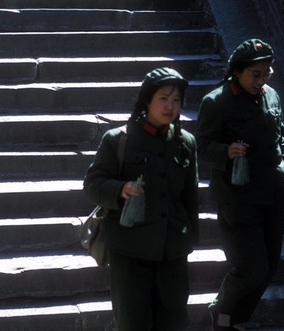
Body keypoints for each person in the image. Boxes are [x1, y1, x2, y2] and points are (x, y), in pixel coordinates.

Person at [83, 67, 199, 331]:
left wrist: (190, 240)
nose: (171, 106)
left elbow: (190, 196)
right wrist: (121, 189)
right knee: (133, 324)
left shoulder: (186, 142)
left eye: (177, 100)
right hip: (130, 252)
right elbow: (92, 185)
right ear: (147, 100)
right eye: (163, 98)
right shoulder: (118, 139)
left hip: (173, 251)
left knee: (175, 322)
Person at [195, 38, 284, 330]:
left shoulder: (271, 96)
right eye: (255, 75)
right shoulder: (216, 101)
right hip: (238, 196)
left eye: (266, 74)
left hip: (274, 192)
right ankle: (221, 312)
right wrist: (225, 152)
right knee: (252, 267)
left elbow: (281, 138)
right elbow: (201, 146)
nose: (261, 81)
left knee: (269, 267)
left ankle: (235, 321)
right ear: (237, 71)